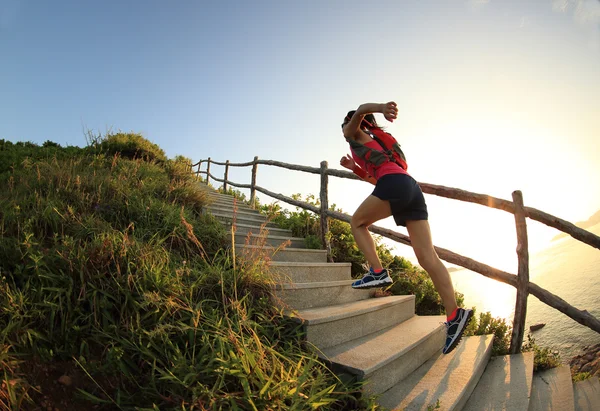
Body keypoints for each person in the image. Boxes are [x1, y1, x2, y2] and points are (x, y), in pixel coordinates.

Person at [339, 101, 472, 355]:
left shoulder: (352, 131)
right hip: (410, 187)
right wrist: (354, 168)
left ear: (353, 122)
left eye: (347, 124)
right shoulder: (379, 140)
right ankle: (455, 314)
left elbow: (358, 112)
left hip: (395, 184)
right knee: (428, 257)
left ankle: (377, 271)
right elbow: (377, 178)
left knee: (357, 222)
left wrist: (376, 108)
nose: (345, 131)